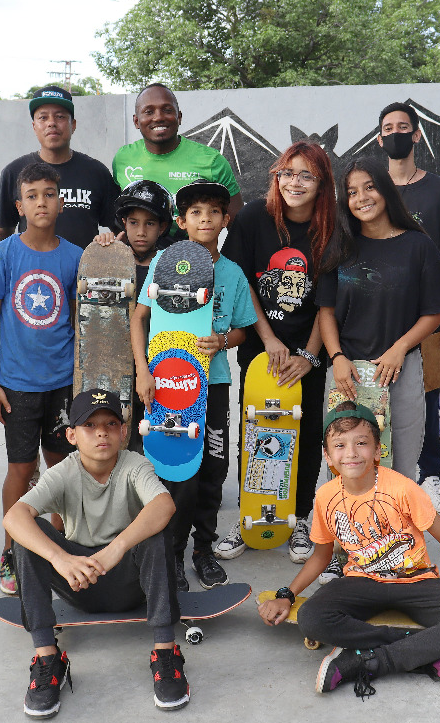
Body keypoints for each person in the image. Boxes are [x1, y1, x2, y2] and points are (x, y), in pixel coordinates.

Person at [257, 402, 440, 698]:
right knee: (312, 619)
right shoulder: (326, 496)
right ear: (327, 456)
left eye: (362, 443)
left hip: (416, 581)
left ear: (378, 451)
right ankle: (421, 650)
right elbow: (320, 555)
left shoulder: (403, 489)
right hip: (361, 581)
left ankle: (366, 661)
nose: (351, 452)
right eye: (339, 445)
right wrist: (286, 596)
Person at [3, 388, 189, 717]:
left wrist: (116, 548)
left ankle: (165, 653)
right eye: (90, 426)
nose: (101, 431)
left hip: (131, 585)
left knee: (155, 532)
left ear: (124, 431)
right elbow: (14, 517)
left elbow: (164, 504)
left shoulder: (135, 465)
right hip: (78, 582)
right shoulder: (63, 471)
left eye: (111, 423)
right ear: (72, 435)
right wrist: (60, 558)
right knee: (26, 538)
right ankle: (48, 659)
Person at [131, 179, 256, 591]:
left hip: (213, 383)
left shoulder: (233, 273)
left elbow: (241, 329)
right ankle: (171, 552)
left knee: (213, 467)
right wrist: (143, 373)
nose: (205, 219)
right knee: (174, 467)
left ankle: (203, 549)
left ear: (226, 219)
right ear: (182, 221)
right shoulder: (164, 259)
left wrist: (222, 340)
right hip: (168, 381)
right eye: (196, 213)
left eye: (213, 212)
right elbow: (138, 318)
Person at [215, 141, 336, 565]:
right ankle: (251, 517)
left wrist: (310, 355)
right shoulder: (253, 219)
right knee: (258, 428)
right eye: (286, 173)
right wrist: (266, 338)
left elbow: (329, 300)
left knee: (303, 433)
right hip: (262, 348)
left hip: (311, 347)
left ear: (322, 183)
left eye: (306, 175)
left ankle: (299, 518)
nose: (295, 183)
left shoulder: (331, 227)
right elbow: (242, 280)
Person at [0, 161, 84, 595]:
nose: (42, 202)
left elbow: (84, 320)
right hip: (17, 384)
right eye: (33, 195)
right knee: (21, 468)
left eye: (49, 194)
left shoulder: (75, 257)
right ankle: (12, 551)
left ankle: (56, 547)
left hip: (62, 383)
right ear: (19, 205)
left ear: (61, 202)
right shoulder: (3, 254)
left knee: (60, 468)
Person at [317, 156, 440, 483]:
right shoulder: (339, 245)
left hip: (400, 371)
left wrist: (399, 348)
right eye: (352, 192)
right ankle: (343, 535)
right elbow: (325, 311)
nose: (361, 197)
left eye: (370, 187)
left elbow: (434, 311)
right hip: (346, 372)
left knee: (399, 473)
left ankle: (394, 534)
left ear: (386, 190)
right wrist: (336, 356)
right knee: (343, 471)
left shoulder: (417, 245)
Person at [378, 102, 440, 516]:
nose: (397, 133)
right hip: (378, 313)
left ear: (416, 135)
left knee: (426, 398)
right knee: (376, 399)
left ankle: (430, 474)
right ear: (380, 138)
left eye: (404, 127)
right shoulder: (372, 189)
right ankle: (380, 476)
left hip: (428, 314)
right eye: (388, 128)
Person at [94, 179, 175, 452]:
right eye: (133, 223)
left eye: (150, 223)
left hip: (158, 367)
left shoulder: (170, 264)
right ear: (122, 224)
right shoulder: (110, 259)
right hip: (116, 368)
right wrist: (102, 251)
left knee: (154, 440)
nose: (140, 231)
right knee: (120, 439)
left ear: (163, 227)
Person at [0, 85, 120, 250]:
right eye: (43, 118)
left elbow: (120, 229)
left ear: (73, 125)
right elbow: (4, 230)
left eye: (60, 117)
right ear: (34, 127)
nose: (51, 123)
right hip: (32, 274)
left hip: (82, 274)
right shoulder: (14, 172)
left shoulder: (96, 173)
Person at [112, 83, 242, 245]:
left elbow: (238, 226)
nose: (158, 117)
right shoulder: (123, 158)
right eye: (149, 111)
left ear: (179, 117)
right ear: (136, 121)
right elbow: (119, 216)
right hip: (139, 262)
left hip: (194, 262)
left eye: (167, 110)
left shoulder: (212, 161)